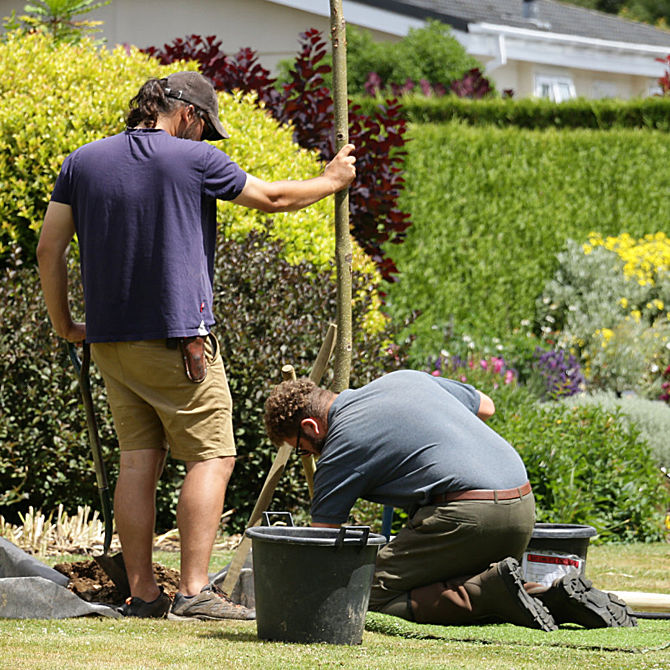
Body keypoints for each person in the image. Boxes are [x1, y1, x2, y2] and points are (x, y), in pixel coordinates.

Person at [37, 71, 356, 620]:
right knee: (213, 455)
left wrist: (66, 325)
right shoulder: (193, 160)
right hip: (178, 341)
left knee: (138, 460)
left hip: (111, 343)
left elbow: (49, 248)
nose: (205, 140)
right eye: (205, 128)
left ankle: (142, 593)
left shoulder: (82, 162)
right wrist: (331, 180)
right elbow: (274, 198)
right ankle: (194, 591)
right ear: (186, 113)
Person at [263, 370, 636, 629]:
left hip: (468, 516)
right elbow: (486, 405)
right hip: (522, 506)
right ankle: (551, 596)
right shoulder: (403, 379)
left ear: (310, 428)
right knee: (437, 576)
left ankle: (489, 595)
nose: (309, 457)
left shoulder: (340, 444)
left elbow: (321, 541)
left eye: (302, 450)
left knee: (360, 593)